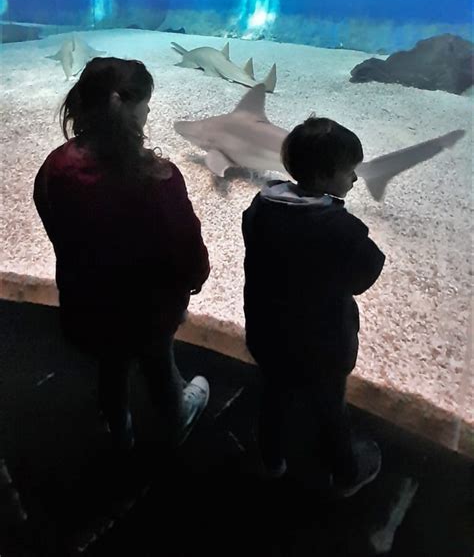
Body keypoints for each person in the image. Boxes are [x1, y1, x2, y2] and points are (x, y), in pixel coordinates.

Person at [33, 56, 210, 450]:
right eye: (146, 102)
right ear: (130, 108)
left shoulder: (56, 166)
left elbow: (52, 220)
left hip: (86, 306)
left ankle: (117, 426)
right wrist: (189, 289)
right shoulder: (159, 178)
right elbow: (187, 256)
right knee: (159, 364)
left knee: (110, 363)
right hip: (149, 314)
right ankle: (177, 415)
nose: (148, 110)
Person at [242, 116, 385, 495]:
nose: (355, 180)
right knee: (330, 408)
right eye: (350, 172)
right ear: (324, 177)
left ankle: (271, 460)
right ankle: (346, 473)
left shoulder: (259, 209)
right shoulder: (339, 228)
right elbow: (365, 275)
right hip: (322, 348)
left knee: (272, 396)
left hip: (268, 336)